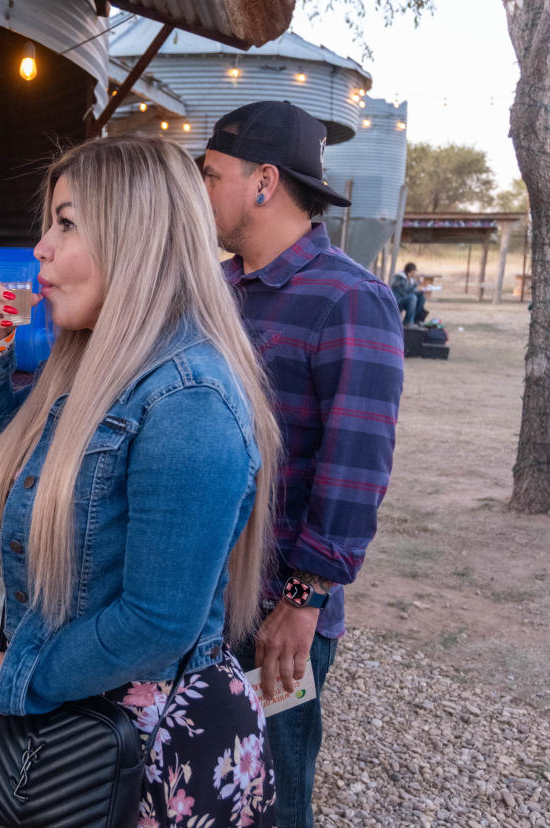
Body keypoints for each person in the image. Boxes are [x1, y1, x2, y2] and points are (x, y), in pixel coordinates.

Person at [0, 136, 281, 826]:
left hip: (152, 754)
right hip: (82, 728)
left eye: (66, 223)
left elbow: (158, 625)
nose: (40, 246)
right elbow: (6, 475)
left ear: (138, 239)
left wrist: (22, 677)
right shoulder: (96, 365)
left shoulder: (188, 397)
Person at [202, 100, 404, 828]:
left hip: (278, 614)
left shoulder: (351, 298)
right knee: (202, 787)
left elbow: (357, 465)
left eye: (211, 174)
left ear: (262, 182)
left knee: (274, 792)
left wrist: (305, 599)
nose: (201, 190)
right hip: (200, 597)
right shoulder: (216, 289)